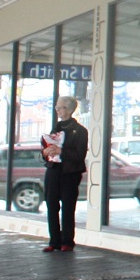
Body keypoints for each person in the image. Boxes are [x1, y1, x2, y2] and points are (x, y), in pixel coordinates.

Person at [41, 95, 89, 253]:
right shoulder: (55, 128)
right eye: (57, 108)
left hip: (70, 173)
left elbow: (80, 154)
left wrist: (61, 151)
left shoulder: (80, 131)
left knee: (68, 207)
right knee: (51, 204)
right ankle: (53, 240)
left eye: (61, 108)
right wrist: (45, 152)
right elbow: (47, 149)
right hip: (53, 170)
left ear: (70, 109)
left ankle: (67, 241)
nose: (58, 111)